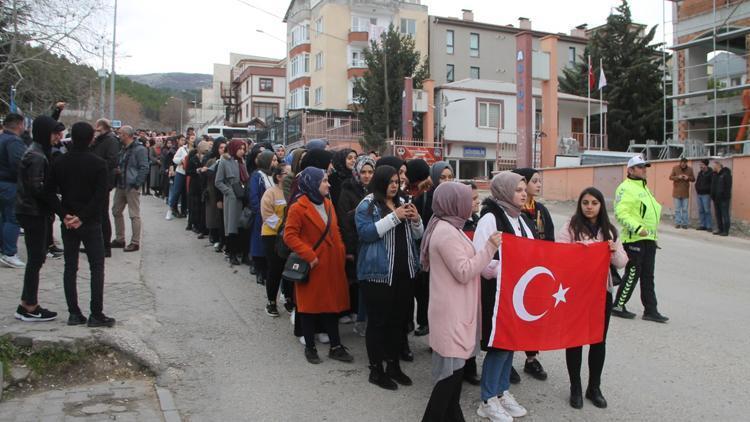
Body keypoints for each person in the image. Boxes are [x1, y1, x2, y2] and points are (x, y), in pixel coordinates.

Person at [420, 182, 501, 422]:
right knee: (449, 381)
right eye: (468, 199)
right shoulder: (446, 232)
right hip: (451, 314)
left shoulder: (449, 226)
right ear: (453, 203)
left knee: (453, 381)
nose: (472, 203)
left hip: (454, 309)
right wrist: (489, 248)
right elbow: (464, 271)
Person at [558, 187, 628, 409]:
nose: (589, 207)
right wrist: (580, 249)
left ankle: (594, 387)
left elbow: (622, 262)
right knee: (575, 340)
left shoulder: (609, 230)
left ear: (601, 206)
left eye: (594, 203)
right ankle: (575, 387)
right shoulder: (571, 226)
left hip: (601, 294)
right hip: (576, 292)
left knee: (598, 340)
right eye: (585, 202)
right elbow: (558, 253)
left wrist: (613, 249)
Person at [355, 165, 423, 390]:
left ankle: (394, 365)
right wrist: (395, 217)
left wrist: (415, 220)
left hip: (405, 273)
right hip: (378, 275)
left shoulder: (404, 200)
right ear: (380, 181)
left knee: (397, 322)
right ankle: (376, 370)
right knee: (378, 323)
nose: (395, 185)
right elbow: (366, 233)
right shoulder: (368, 204)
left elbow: (418, 235)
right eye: (391, 181)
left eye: (397, 181)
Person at [473, 171, 531, 422]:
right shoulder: (490, 218)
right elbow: (481, 261)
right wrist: (509, 268)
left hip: (515, 292)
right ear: (505, 191)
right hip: (497, 293)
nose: (524, 194)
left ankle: (501, 391)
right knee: (499, 345)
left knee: (511, 343)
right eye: (518, 190)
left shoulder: (519, 218)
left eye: (524, 189)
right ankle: (488, 399)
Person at [283, 167, 354, 365]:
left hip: (331, 265)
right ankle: (310, 348)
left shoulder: (329, 204)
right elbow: (289, 236)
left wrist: (340, 251)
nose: (328, 184)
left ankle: (335, 346)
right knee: (308, 309)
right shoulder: (298, 207)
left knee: (331, 306)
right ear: (313, 183)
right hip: (312, 266)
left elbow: (336, 231)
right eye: (324, 181)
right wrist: (309, 255)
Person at [47, 122, 115, 327]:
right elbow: (100, 195)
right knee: (96, 266)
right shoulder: (98, 163)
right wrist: (82, 217)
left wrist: (64, 215)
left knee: (70, 267)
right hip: (90, 221)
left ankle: (74, 313)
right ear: (91, 139)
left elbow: (48, 192)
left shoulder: (59, 162)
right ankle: (96, 313)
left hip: (68, 221)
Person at [13, 115, 62, 322]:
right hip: (32, 212)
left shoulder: (39, 151)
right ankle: (29, 306)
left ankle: (27, 302)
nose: (57, 137)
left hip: (33, 211)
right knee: (35, 258)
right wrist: (59, 206)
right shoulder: (37, 156)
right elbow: (37, 188)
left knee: (38, 256)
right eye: (54, 133)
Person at [611, 156, 668, 323]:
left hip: (649, 238)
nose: (644, 170)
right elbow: (621, 213)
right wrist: (637, 228)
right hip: (634, 238)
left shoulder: (644, 188)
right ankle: (618, 305)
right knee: (633, 273)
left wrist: (650, 234)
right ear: (630, 170)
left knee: (648, 276)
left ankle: (651, 310)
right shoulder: (625, 188)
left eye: (645, 167)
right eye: (640, 167)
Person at [511, 167, 553, 382]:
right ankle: (505, 360)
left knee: (534, 316)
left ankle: (531, 358)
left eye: (539, 181)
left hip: (537, 273)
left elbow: (551, 243)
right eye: (535, 181)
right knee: (511, 317)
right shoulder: (512, 211)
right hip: (515, 273)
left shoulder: (541, 211)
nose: (538, 184)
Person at [413, 161, 455, 338]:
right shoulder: (423, 197)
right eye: (442, 177)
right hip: (428, 253)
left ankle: (440, 334)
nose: (446, 181)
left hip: (448, 253)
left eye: (449, 177)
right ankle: (425, 323)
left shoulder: (455, 197)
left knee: (444, 295)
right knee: (426, 292)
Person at [336, 155, 376, 336]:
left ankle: (367, 318)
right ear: (357, 173)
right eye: (363, 172)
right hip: (357, 244)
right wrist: (350, 249)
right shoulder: (348, 190)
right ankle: (360, 320)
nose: (367, 175)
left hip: (373, 243)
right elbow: (344, 222)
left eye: (370, 172)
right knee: (361, 284)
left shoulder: (376, 190)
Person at [111, 126, 149, 252]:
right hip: (121, 184)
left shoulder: (139, 149)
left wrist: (137, 183)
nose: (118, 136)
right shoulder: (123, 149)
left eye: (120, 133)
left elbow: (144, 167)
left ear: (127, 135)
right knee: (116, 211)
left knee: (134, 215)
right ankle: (120, 239)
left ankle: (135, 242)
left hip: (131, 186)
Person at [260, 165, 289, 317]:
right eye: (287, 173)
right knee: (275, 268)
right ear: (278, 176)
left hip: (289, 235)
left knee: (289, 267)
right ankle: (271, 301)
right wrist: (283, 228)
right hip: (272, 235)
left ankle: (289, 299)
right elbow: (267, 214)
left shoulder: (291, 192)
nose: (291, 175)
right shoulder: (270, 193)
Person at [0, 113, 27, 268]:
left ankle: (4, 248)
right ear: (19, 125)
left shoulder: (2, 138)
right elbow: (18, 165)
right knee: (12, 218)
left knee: (3, 217)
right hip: (10, 185)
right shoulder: (14, 142)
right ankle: (9, 253)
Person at [90, 119, 121, 257]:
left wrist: (97, 167)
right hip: (95, 179)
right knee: (95, 214)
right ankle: (94, 244)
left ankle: (105, 246)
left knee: (102, 214)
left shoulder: (111, 140)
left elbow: (112, 160)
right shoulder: (99, 140)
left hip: (103, 180)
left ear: (101, 128)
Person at [215, 140, 248, 266]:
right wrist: (229, 192)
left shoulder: (242, 162)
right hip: (232, 198)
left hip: (243, 196)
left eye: (244, 149)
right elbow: (218, 181)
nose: (242, 151)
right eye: (240, 148)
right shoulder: (224, 161)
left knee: (242, 225)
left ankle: (240, 252)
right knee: (232, 226)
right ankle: (231, 253)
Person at [249, 150, 278, 284]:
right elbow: (253, 196)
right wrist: (259, 212)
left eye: (276, 160)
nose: (275, 162)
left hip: (275, 215)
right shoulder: (257, 176)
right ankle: (259, 271)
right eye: (273, 160)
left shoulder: (275, 176)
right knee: (259, 244)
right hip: (261, 216)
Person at [204, 138, 227, 252]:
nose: (223, 150)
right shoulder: (212, 161)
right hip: (213, 191)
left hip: (224, 192)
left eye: (224, 147)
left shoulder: (228, 160)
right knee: (214, 216)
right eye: (221, 148)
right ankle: (215, 236)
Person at [166, 134, 191, 220]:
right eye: (191, 138)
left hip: (189, 173)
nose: (193, 140)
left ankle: (185, 211)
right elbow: (174, 159)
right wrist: (181, 160)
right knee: (176, 192)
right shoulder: (182, 149)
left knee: (186, 193)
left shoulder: (194, 150)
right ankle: (170, 210)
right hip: (180, 172)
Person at [669, 157, 695, 229]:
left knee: (685, 209)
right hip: (676, 192)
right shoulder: (675, 168)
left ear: (686, 163)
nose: (683, 164)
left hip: (685, 193)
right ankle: (677, 223)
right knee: (677, 209)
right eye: (682, 163)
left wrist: (688, 178)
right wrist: (678, 177)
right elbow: (670, 177)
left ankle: (685, 224)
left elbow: (693, 179)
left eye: (684, 163)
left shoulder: (690, 169)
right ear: (680, 162)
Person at [710, 159, 732, 236]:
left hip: (724, 199)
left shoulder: (726, 174)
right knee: (718, 215)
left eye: (714, 165)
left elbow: (728, 187)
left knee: (725, 214)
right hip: (716, 198)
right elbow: (713, 186)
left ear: (718, 165)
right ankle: (720, 229)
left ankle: (726, 231)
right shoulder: (715, 174)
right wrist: (712, 195)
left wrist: (724, 196)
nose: (713, 167)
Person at [694, 159, 713, 231]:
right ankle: (702, 225)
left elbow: (712, 184)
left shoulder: (711, 173)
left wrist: (706, 190)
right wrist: (697, 188)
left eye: (701, 165)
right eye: (700, 165)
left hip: (706, 195)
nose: (700, 166)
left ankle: (709, 226)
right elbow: (697, 182)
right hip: (699, 194)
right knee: (701, 210)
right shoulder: (700, 173)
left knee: (707, 210)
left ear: (705, 165)